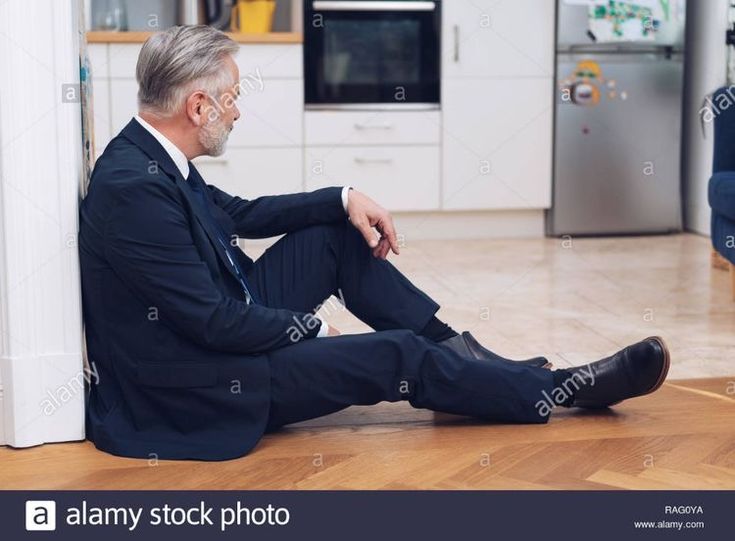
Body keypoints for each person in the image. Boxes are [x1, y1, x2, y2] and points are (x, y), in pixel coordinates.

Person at [79, 26, 669, 461]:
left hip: (224, 328)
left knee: (335, 238)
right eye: (232, 98)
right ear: (197, 105)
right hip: (205, 382)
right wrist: (306, 327)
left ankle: (467, 360)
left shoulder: (151, 155)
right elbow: (210, 323)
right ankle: (561, 391)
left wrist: (343, 196)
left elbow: (240, 214)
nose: (238, 113)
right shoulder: (136, 189)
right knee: (396, 355)